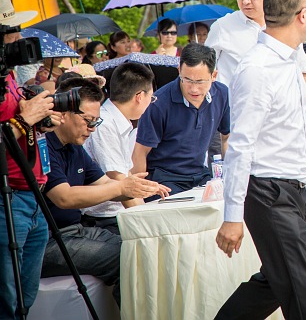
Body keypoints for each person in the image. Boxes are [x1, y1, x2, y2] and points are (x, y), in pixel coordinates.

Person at [214, 0, 306, 320]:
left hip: (292, 187)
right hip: (267, 192)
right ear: (303, 15)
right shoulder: (257, 68)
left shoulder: (290, 59)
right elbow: (240, 146)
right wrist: (232, 216)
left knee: (276, 282)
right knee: (305, 295)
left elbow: (303, 121)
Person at [41, 79, 166, 306]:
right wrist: (121, 187)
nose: (92, 128)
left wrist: (136, 188)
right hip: (47, 241)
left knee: (139, 247)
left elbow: (105, 184)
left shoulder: (75, 148)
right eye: (88, 121)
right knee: (128, 257)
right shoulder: (44, 145)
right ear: (63, 114)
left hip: (76, 230)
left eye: (96, 121)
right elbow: (64, 197)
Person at [206, 0, 306, 163]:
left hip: (275, 125)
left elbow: (304, 73)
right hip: (232, 124)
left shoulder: (284, 25)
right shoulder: (223, 27)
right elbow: (205, 71)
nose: (246, 1)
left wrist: (297, 110)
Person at [0, 0, 62, 319]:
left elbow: (16, 126)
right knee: (7, 303)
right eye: (13, 31)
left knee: (25, 301)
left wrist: (40, 122)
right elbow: (12, 129)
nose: (20, 38)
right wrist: (25, 119)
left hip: (33, 198)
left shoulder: (7, 75)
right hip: (7, 202)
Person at [132, 43, 230, 196]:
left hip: (200, 174)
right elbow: (140, 152)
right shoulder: (159, 103)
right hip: (164, 179)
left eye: (200, 81)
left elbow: (227, 137)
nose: (193, 89)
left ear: (214, 76)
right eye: (187, 80)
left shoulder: (222, 94)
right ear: (179, 71)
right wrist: (140, 193)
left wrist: (230, 175)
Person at [82, 62, 157, 233]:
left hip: (117, 214)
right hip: (103, 219)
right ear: (139, 96)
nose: (150, 103)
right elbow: (118, 178)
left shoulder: (118, 121)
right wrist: (147, 222)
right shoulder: (105, 124)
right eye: (151, 98)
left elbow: (126, 177)